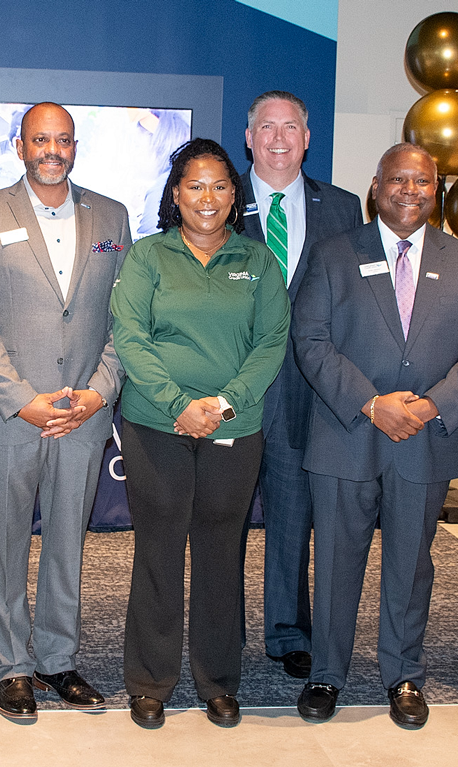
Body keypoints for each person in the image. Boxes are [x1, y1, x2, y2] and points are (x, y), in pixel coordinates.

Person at [292, 143, 458, 728]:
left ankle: (404, 674)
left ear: (436, 189)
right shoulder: (334, 255)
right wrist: (370, 402)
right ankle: (327, 674)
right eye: (398, 180)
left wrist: (432, 405)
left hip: (425, 439)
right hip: (347, 434)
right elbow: (310, 341)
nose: (409, 190)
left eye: (423, 181)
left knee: (411, 564)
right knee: (335, 559)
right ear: (376, 186)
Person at [0, 102, 131, 721]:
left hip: (82, 413)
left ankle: (58, 659)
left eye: (63, 140)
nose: (52, 150)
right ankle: (12, 665)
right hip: (10, 414)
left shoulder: (111, 215)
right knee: (4, 544)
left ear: (75, 147)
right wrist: (21, 399)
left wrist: (98, 392)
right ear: (19, 145)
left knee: (66, 543)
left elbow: (123, 320)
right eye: (40, 140)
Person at [111, 138, 289, 729]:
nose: (206, 197)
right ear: (175, 194)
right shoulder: (147, 257)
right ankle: (150, 680)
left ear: (234, 195)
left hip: (234, 426)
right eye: (194, 186)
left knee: (220, 551)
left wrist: (224, 403)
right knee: (158, 549)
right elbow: (130, 336)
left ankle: (218, 680)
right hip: (155, 425)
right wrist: (178, 404)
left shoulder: (258, 261)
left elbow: (270, 344)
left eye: (218, 186)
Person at [239, 90, 363, 680]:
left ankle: (288, 632)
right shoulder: (215, 195)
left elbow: (355, 303)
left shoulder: (341, 209)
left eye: (292, 127)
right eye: (268, 127)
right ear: (249, 137)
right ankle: (220, 634)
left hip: (307, 393)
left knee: (293, 516)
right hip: (230, 391)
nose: (280, 138)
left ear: (308, 138)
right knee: (222, 521)